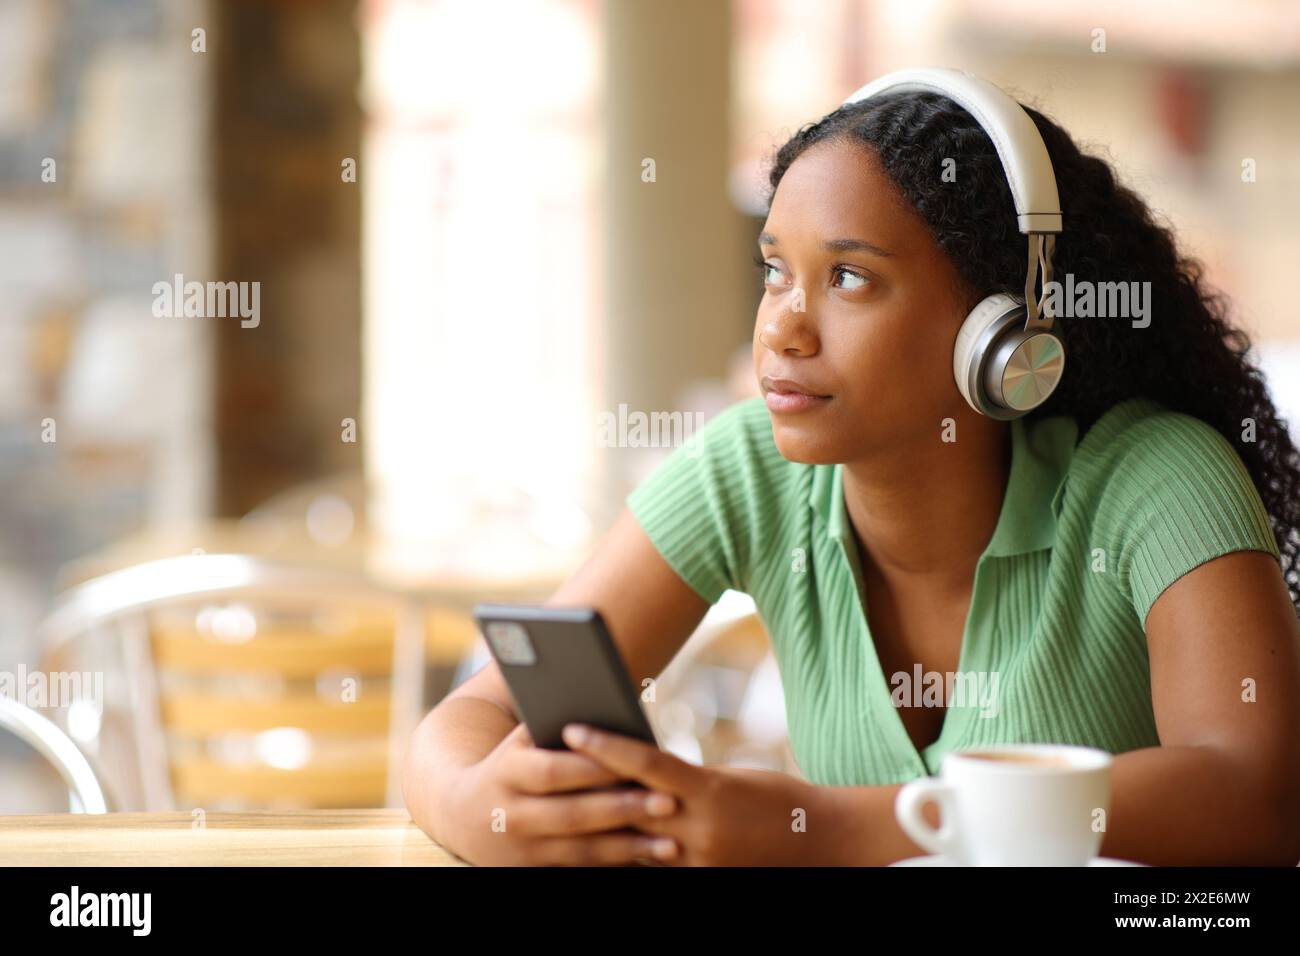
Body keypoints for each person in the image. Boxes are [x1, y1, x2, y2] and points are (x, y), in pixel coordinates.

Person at [403, 77, 1300, 866]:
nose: (783, 327)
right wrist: (481, 806)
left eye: (849, 278)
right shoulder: (752, 465)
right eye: (774, 271)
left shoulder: (1157, 476)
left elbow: (1256, 796)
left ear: (1001, 332)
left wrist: (827, 831)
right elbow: (471, 718)